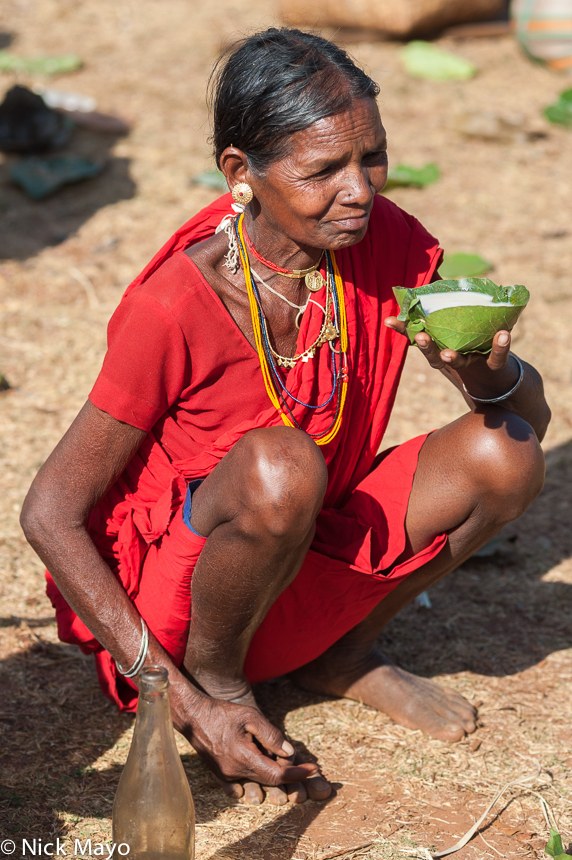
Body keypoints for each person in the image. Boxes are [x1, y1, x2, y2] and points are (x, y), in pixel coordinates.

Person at [21, 28, 549, 807]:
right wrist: (194, 702)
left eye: (372, 157)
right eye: (324, 169)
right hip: (181, 614)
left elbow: (528, 418)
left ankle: (342, 654)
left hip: (305, 539)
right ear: (241, 172)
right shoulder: (178, 302)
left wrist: (488, 371)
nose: (361, 188)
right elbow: (49, 512)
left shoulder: (381, 242)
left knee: (508, 455)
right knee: (280, 464)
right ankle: (229, 687)